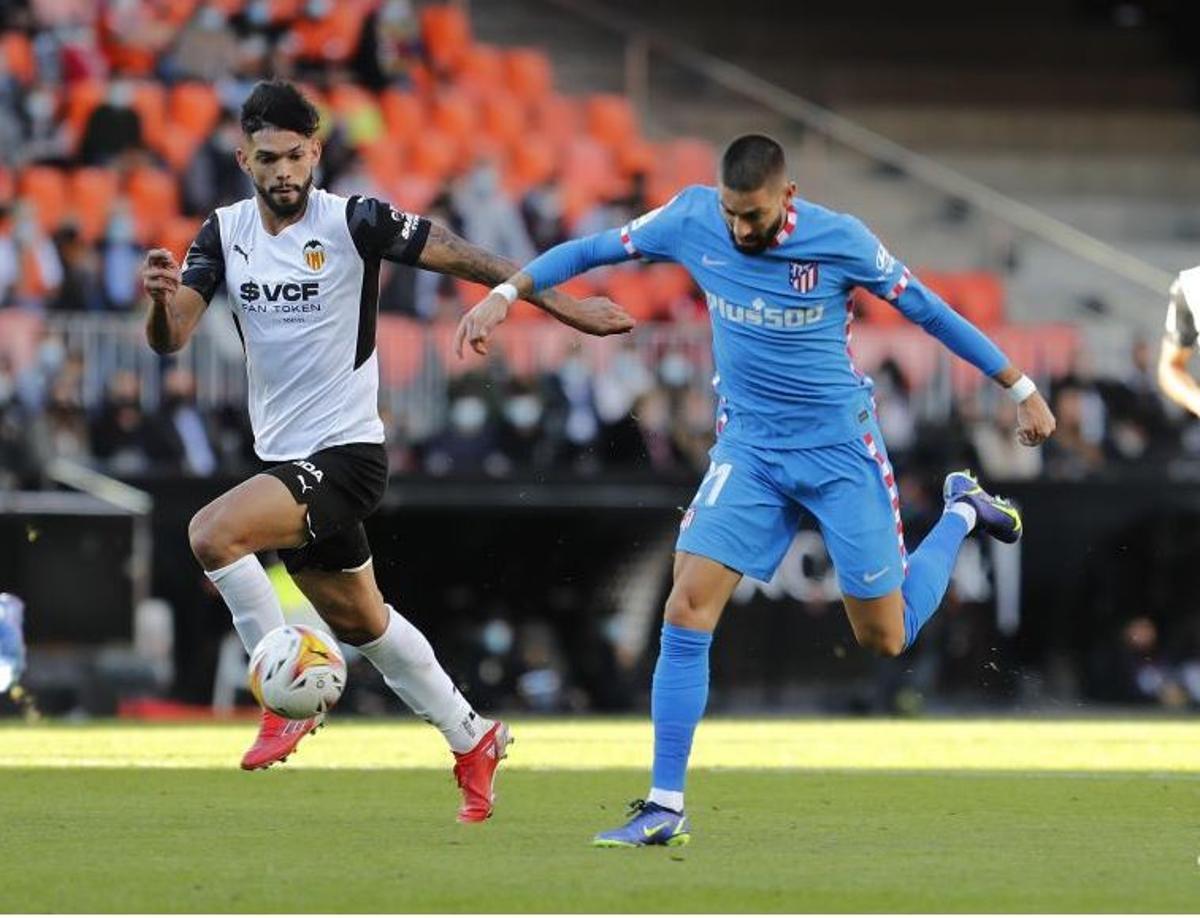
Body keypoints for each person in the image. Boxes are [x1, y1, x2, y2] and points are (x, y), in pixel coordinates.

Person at [458, 134, 1056, 845]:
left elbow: (927, 309)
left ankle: (962, 510)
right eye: (734, 214)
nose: (743, 230)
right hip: (751, 452)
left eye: (757, 216)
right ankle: (664, 804)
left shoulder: (841, 240)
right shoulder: (692, 218)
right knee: (685, 607)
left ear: (788, 198)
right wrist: (505, 293)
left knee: (885, 636)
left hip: (839, 452)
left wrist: (1018, 387)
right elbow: (591, 249)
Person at [140, 80, 632, 822]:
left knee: (211, 533)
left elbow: (465, 256)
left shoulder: (355, 222)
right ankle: (473, 735)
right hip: (287, 458)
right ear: (243, 157)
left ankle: (284, 695)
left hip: (348, 456)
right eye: (267, 157)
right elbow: (173, 336)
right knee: (367, 626)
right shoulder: (221, 233)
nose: (283, 172)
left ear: (316, 153)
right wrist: (157, 299)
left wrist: (565, 307)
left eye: (296, 156)